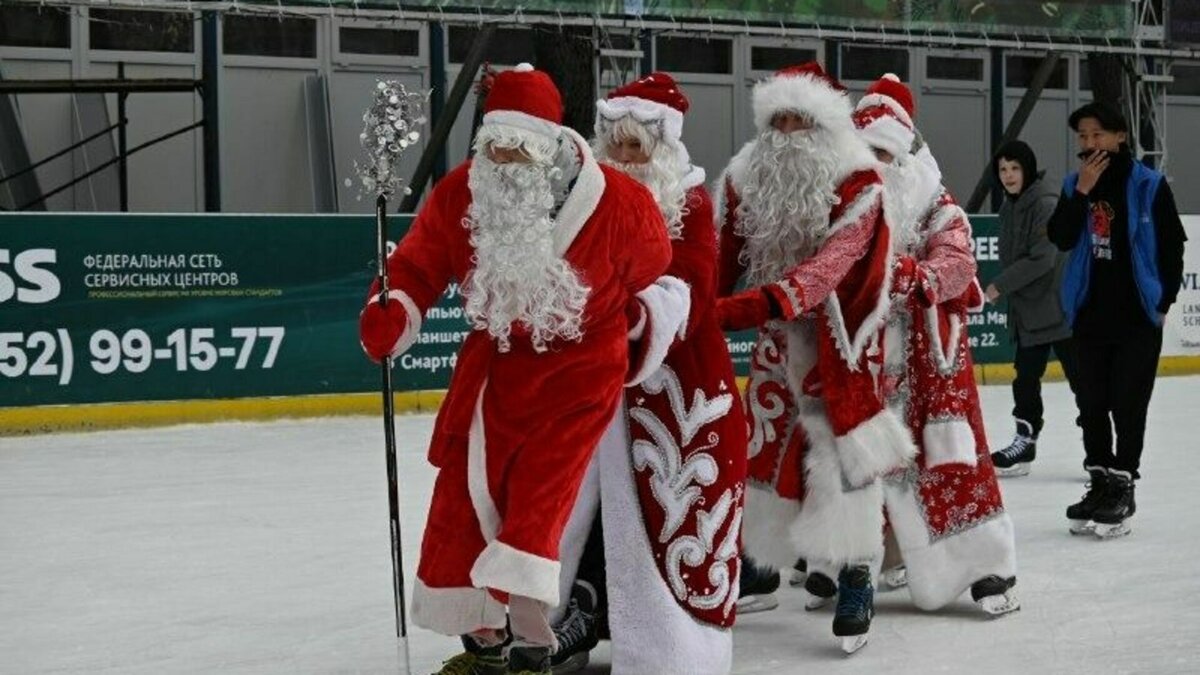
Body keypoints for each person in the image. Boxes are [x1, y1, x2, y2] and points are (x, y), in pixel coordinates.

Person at [357, 64, 690, 675]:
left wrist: (635, 318)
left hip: (579, 374)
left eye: (520, 147)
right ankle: (482, 634)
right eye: (495, 146)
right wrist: (395, 310)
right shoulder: (461, 193)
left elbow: (656, 269)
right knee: (461, 497)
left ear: (553, 144)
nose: (506, 160)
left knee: (541, 496)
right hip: (493, 375)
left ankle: (532, 626)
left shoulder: (619, 204)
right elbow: (418, 265)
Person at [509, 72, 748, 675]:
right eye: (613, 142)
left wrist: (635, 315)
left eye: (635, 146)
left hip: (671, 386)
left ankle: (665, 644)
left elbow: (692, 284)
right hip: (589, 379)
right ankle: (566, 614)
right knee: (569, 501)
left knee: (657, 515)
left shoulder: (689, 202)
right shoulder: (584, 197)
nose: (621, 155)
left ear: (662, 150)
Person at [715, 62, 913, 654]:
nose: (787, 132)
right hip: (775, 332)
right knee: (768, 438)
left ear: (825, 123)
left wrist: (754, 304)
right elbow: (722, 253)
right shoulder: (744, 174)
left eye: (800, 120)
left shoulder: (861, 180)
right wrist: (699, 305)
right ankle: (764, 560)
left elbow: (837, 265)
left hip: (841, 334)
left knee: (842, 448)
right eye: (777, 120)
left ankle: (857, 570)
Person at [854, 74, 1019, 616]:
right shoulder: (846, 204)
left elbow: (957, 263)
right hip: (864, 356)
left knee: (946, 466)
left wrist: (904, 277)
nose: (874, 164)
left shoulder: (935, 204)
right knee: (867, 464)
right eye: (865, 152)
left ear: (902, 154)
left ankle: (984, 567)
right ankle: (870, 559)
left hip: (929, 364)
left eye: (883, 151)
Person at [1048, 101, 1187, 539]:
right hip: (1090, 315)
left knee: (1128, 404)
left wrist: (1163, 300)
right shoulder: (1077, 183)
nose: (1089, 144)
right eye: (1082, 137)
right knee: (1090, 404)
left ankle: (1123, 482)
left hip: (1136, 317)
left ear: (1120, 136)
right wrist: (1082, 192)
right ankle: (1100, 482)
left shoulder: (1148, 185)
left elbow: (1172, 247)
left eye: (1097, 135)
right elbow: (1061, 236)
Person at [986, 139, 1081, 476]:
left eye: (1014, 168)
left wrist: (999, 285)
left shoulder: (1044, 202)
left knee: (1082, 382)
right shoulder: (1010, 205)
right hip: (1029, 310)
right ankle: (1025, 444)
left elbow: (1043, 258)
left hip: (1059, 308)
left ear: (1027, 169)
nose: (1008, 176)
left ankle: (1100, 449)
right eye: (1003, 170)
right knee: (1025, 379)